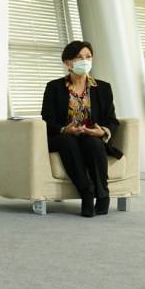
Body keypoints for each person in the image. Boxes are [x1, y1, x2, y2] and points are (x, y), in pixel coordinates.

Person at [41, 40, 122, 217]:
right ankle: (86, 192)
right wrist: (64, 129)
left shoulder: (103, 88)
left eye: (88, 57)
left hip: (91, 136)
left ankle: (103, 194)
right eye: (79, 57)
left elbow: (112, 120)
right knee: (67, 141)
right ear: (67, 62)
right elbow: (47, 120)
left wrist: (103, 132)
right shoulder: (54, 87)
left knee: (93, 143)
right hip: (64, 137)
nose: (85, 61)